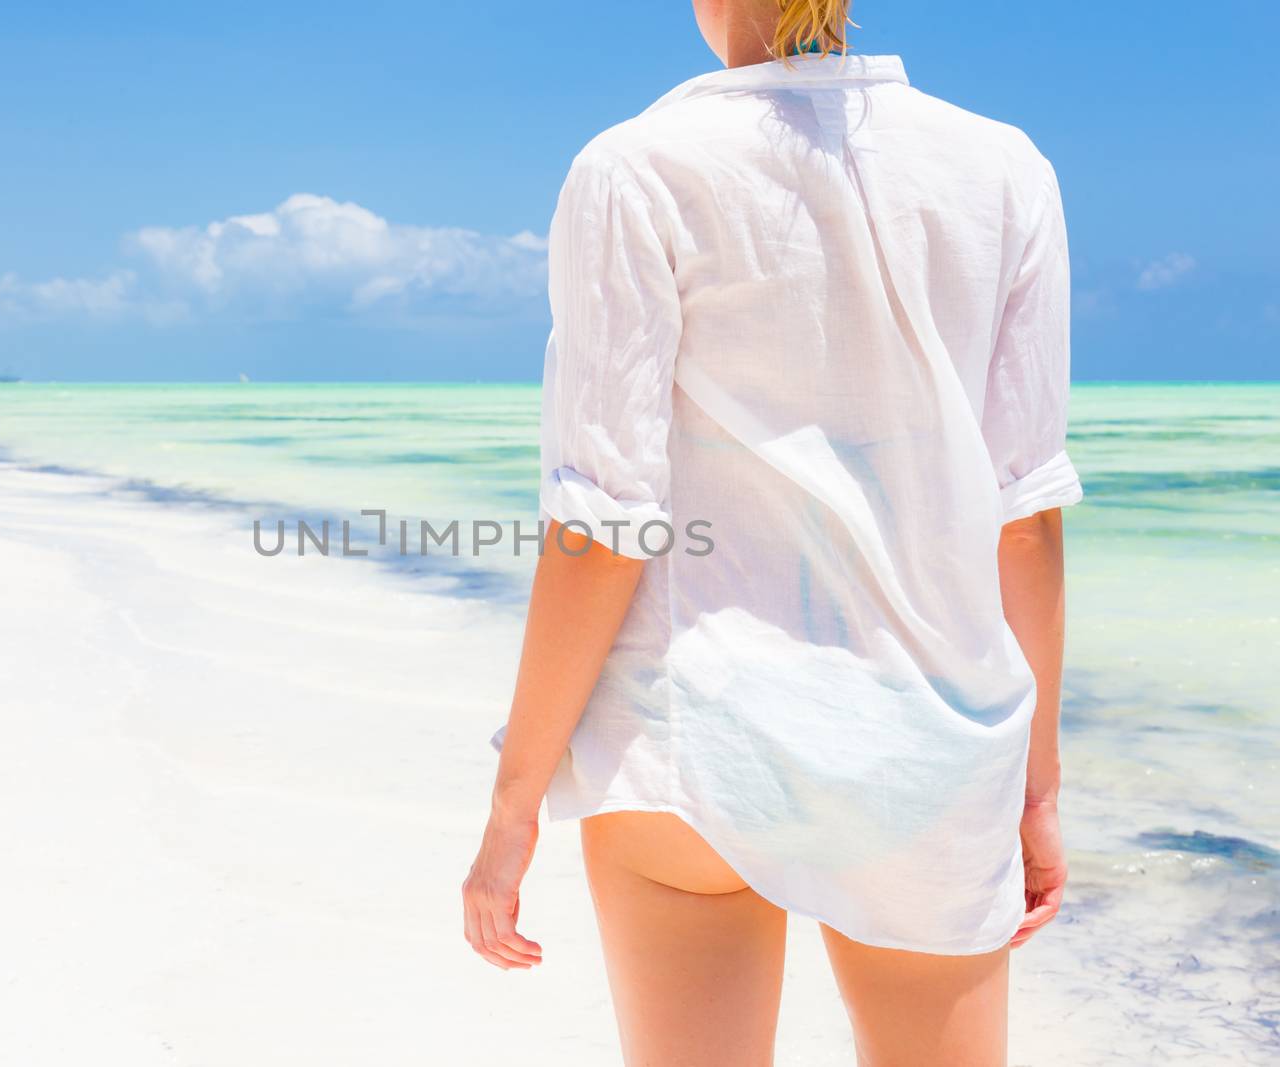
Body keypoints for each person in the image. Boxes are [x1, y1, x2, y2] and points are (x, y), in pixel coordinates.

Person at [461, 1, 1081, 1063]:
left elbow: (605, 523)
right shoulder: (1004, 169)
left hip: (696, 739)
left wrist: (514, 799)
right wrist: (1036, 785)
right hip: (926, 750)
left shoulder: (636, 166)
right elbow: (1020, 516)